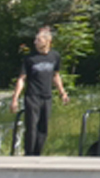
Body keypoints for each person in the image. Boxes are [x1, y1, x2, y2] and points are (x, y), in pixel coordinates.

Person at [11, 25, 70, 155]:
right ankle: (29, 154)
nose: (35, 42)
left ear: (48, 41)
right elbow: (22, 79)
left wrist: (62, 92)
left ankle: (38, 153)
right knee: (32, 127)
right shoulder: (30, 59)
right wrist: (15, 98)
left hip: (47, 96)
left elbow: (56, 75)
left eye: (39, 40)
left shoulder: (54, 56)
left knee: (43, 128)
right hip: (32, 96)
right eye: (36, 40)